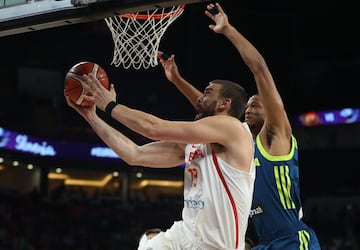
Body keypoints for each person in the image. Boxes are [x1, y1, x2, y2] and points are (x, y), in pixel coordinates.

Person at [64, 4, 255, 249]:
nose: (198, 98)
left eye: (207, 93)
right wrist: (91, 116)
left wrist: (109, 105)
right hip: (185, 234)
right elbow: (135, 154)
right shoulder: (194, 145)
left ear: (224, 104)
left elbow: (153, 127)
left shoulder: (233, 129)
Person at [157, 2, 321, 249]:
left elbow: (260, 70)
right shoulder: (239, 144)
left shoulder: (277, 137)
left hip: (290, 240)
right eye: (248, 106)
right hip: (258, 241)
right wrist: (177, 81)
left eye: (257, 105)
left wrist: (228, 30)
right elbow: (206, 108)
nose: (249, 109)